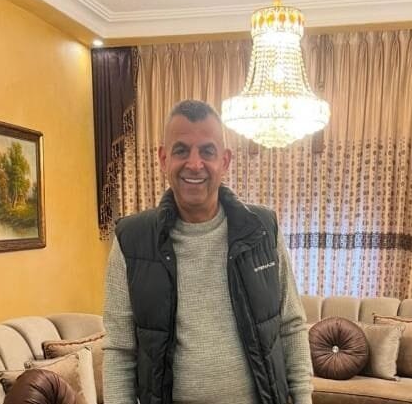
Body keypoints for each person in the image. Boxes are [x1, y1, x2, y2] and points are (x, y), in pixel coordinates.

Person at [103, 100, 313, 404]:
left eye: (207, 151)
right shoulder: (131, 240)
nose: (194, 163)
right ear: (163, 159)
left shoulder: (263, 230)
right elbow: (120, 351)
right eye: (181, 150)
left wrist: (303, 399)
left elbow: (291, 326)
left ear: (225, 161)